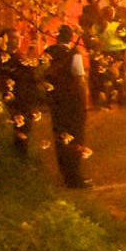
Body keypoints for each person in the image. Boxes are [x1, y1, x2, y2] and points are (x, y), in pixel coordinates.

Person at [43, 25, 91, 189]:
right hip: (72, 101)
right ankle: (74, 176)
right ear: (70, 38)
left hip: (55, 100)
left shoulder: (48, 52)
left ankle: (64, 172)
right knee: (75, 135)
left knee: (60, 136)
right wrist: (85, 100)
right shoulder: (73, 54)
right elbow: (79, 78)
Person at [0, 30, 41, 158]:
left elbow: (28, 66)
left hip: (25, 97)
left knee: (24, 128)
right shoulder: (5, 57)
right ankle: (19, 157)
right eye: (13, 38)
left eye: (18, 37)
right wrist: (33, 45)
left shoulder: (15, 55)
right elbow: (25, 68)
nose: (17, 40)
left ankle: (21, 155)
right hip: (16, 97)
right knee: (20, 128)